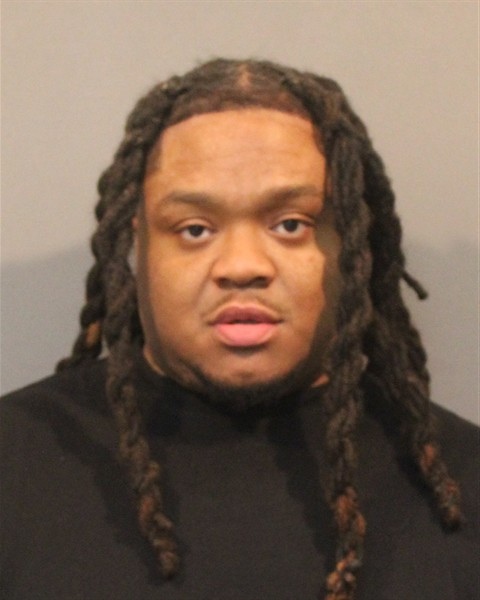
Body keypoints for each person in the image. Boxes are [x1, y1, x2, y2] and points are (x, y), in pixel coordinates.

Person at [1, 59, 478, 600]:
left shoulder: (464, 480)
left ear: (352, 240)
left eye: (290, 224)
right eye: (195, 229)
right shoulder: (13, 462)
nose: (242, 265)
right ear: (137, 241)